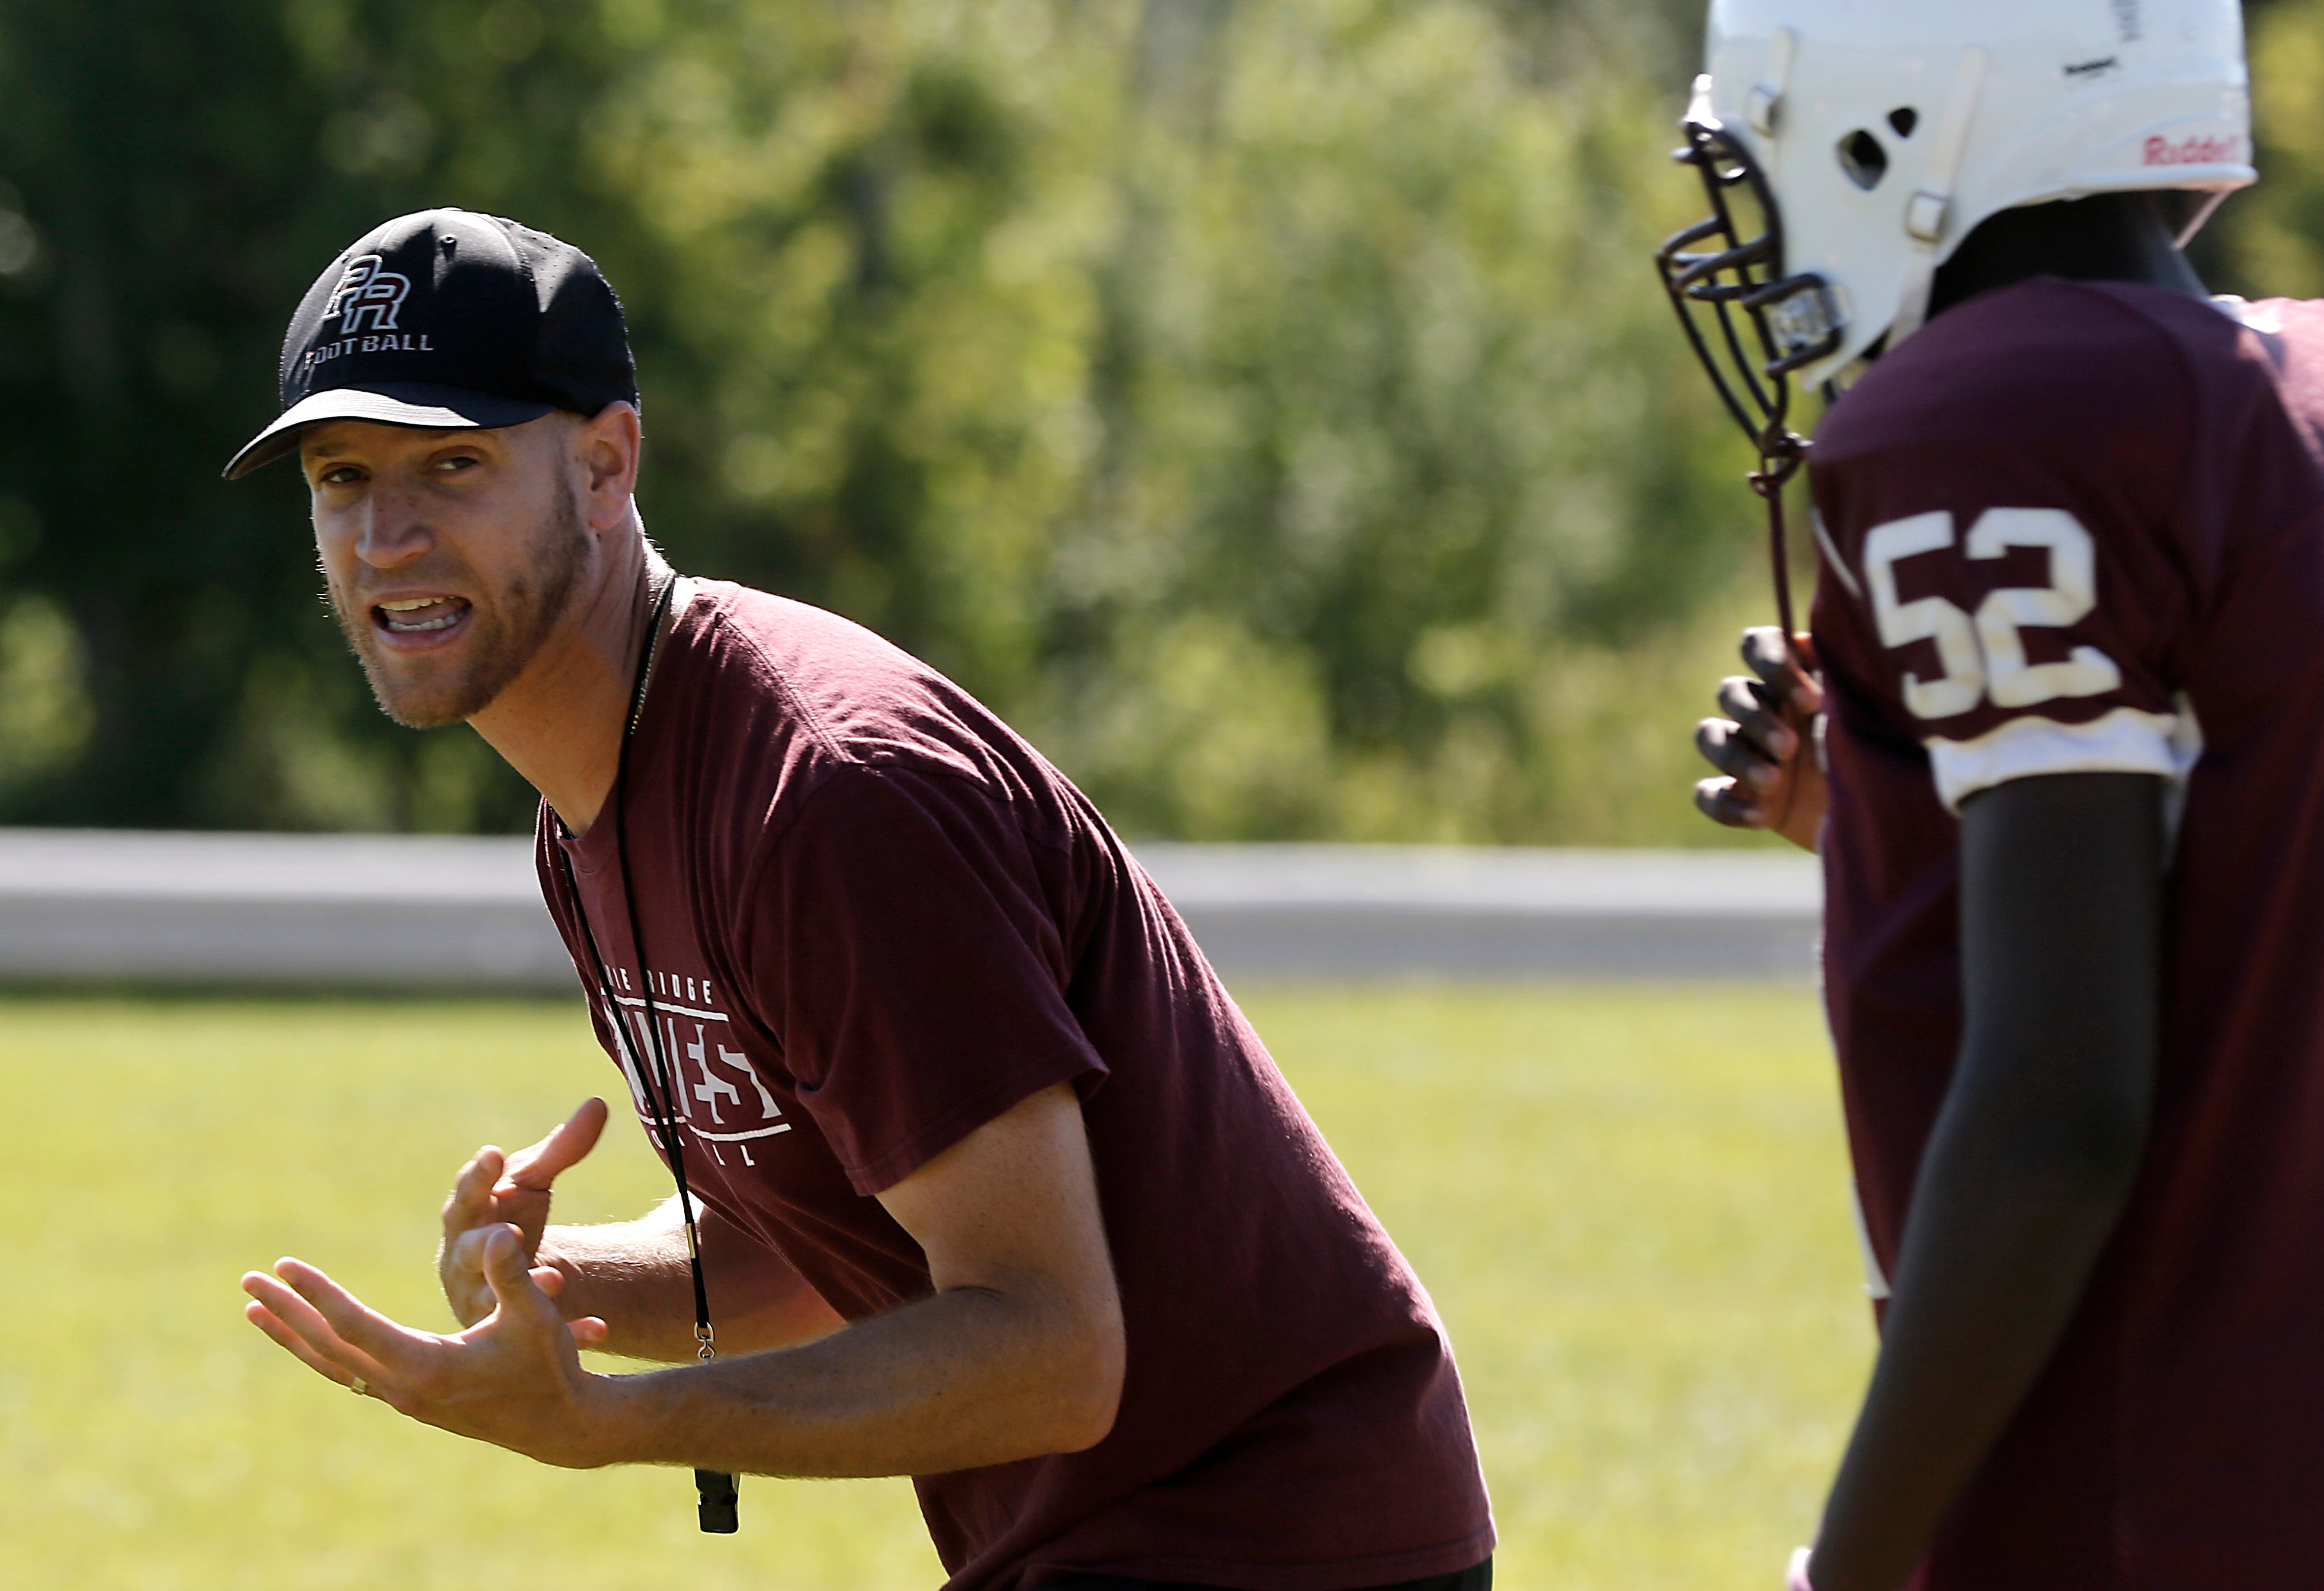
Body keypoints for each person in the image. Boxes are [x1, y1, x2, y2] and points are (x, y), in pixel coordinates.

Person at [225, 207, 1495, 1591]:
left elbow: (1049, 1346)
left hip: (1276, 1540)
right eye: (341, 475)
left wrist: (608, 1424)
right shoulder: (593, 806)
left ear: (604, 465)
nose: (386, 534)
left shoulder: (827, 797)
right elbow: (834, 1240)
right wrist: (566, 1286)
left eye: (454, 463)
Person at [1670, 0, 2324, 1588]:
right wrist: (1895, 827)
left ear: (1914, 113)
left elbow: (2060, 1104)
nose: (1757, 207)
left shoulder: (2013, 413)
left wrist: (1859, 1559)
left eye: (1774, 136)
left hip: (2179, 1473)